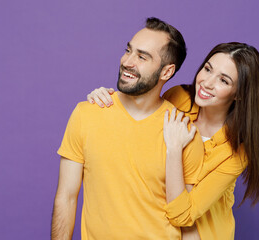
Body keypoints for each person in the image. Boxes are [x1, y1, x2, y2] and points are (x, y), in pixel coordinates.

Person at [87, 42, 259, 239]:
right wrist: (111, 99)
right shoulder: (178, 97)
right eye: (207, 69)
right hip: (155, 228)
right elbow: (138, 130)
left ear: (240, 94)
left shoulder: (237, 151)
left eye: (223, 81)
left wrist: (174, 149)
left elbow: (183, 216)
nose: (207, 83)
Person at [52, 17, 205, 240]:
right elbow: (66, 197)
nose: (127, 61)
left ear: (166, 72)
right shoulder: (87, 114)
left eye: (142, 57)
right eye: (128, 50)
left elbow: (187, 224)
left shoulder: (184, 132)